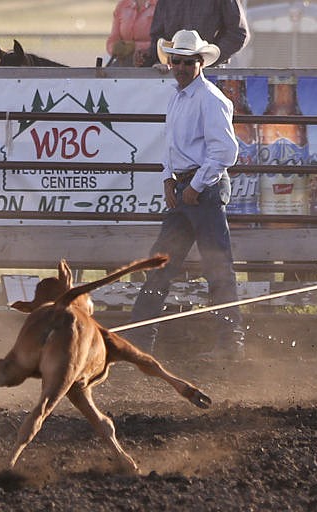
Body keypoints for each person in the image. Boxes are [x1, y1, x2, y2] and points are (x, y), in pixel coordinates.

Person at [128, 29, 245, 359]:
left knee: (216, 267)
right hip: (187, 190)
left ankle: (230, 344)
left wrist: (193, 186)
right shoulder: (180, 98)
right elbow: (172, 145)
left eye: (186, 62)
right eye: (175, 60)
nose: (179, 67)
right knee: (161, 264)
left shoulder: (210, 99)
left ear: (199, 63)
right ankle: (138, 342)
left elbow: (225, 152)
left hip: (201, 191)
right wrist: (169, 179)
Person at [146, 0, 249, 67]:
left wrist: (208, 58)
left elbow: (238, 34)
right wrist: (155, 59)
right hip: (171, 76)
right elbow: (157, 37)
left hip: (209, 75)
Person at [106, 0, 156, 67]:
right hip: (124, 62)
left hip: (154, 62)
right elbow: (112, 40)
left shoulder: (161, 5)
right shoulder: (122, 5)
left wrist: (135, 47)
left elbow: (165, 42)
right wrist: (114, 49)